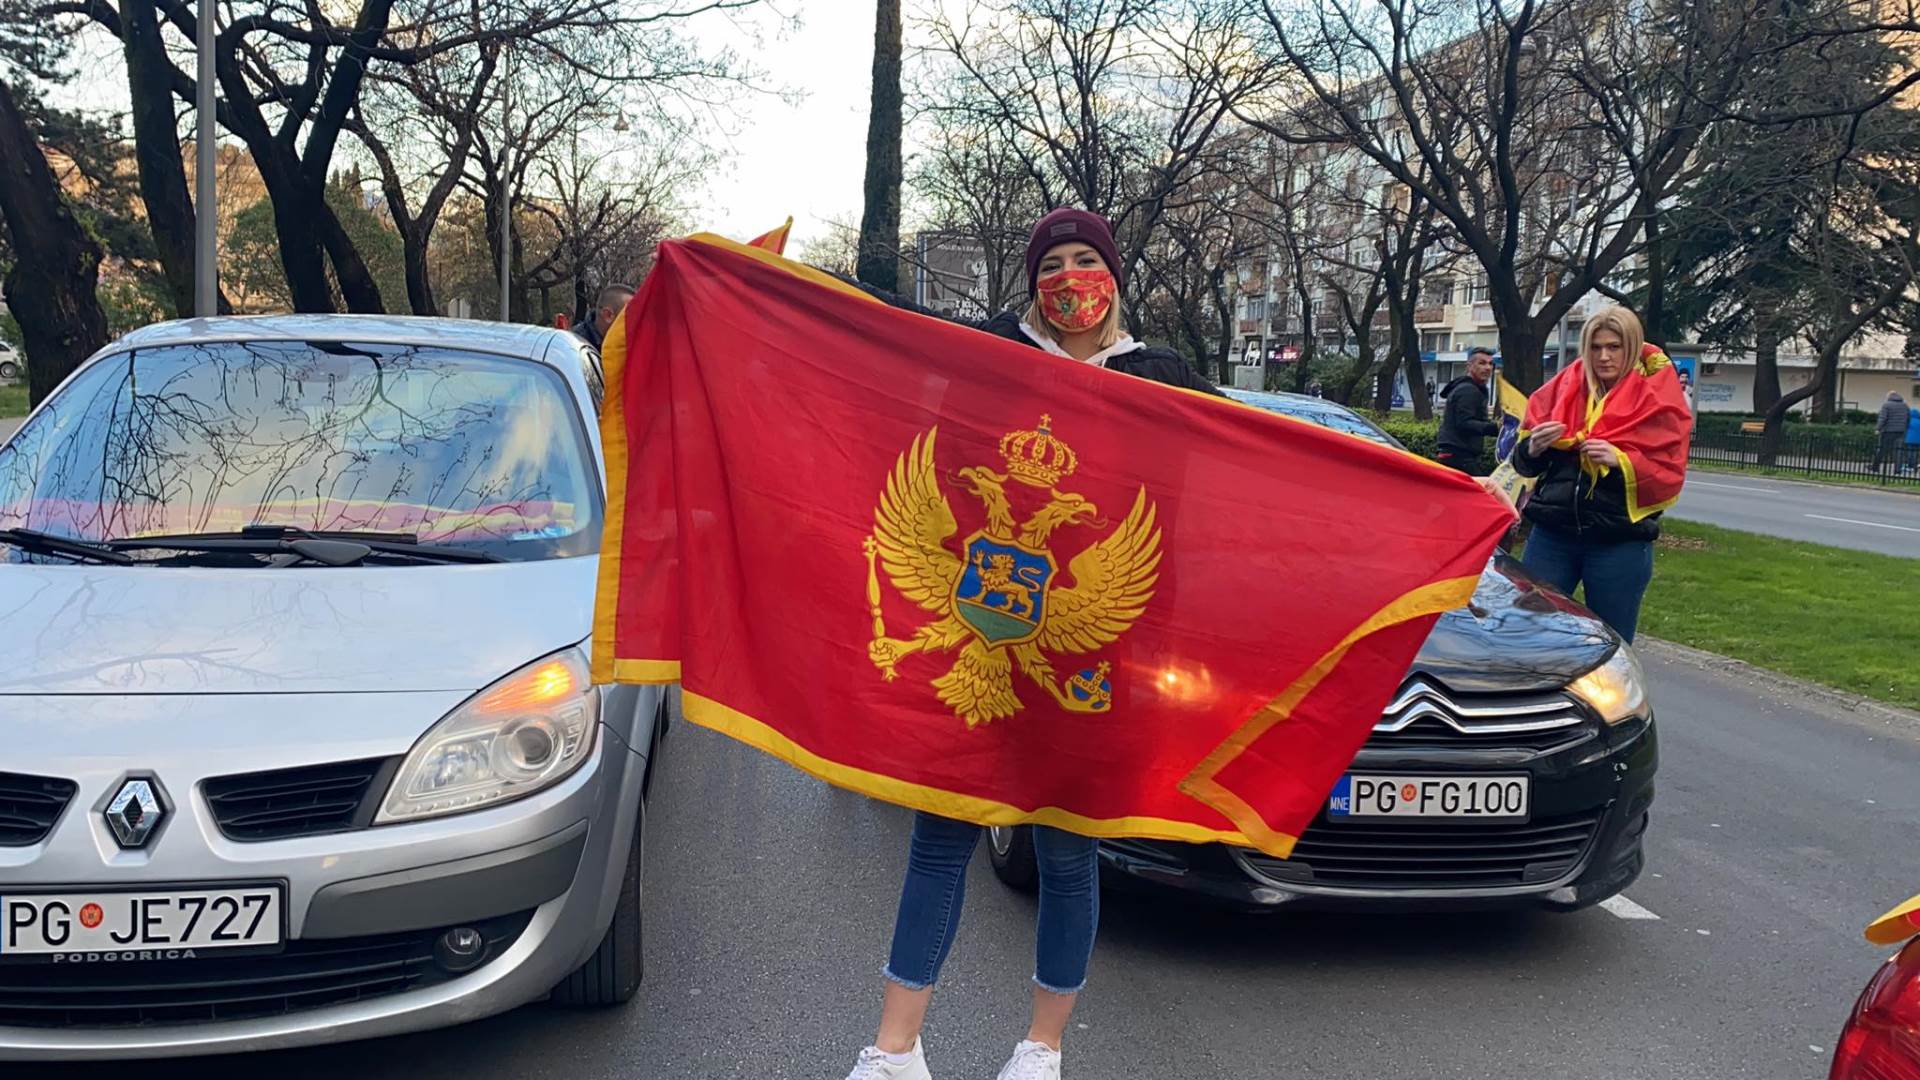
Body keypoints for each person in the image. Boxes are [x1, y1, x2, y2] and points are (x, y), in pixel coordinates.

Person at [843, 208, 1215, 1080]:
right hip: (979, 632)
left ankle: (1041, 1050)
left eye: (1086, 260)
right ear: (1031, 280)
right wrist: (780, 287)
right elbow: (891, 337)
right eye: (1052, 264)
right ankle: (895, 1050)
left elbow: (1259, 467)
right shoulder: (994, 353)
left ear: (1115, 275)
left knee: (1067, 853)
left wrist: (1440, 495)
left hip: (1095, 652)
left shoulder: (1162, 374)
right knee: (941, 836)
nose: (1069, 278)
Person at [1509, 306, 1690, 643]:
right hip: (1553, 536)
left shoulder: (1656, 399)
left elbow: (1667, 470)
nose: (1604, 357)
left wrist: (1622, 462)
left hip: (1618, 543)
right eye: (1595, 347)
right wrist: (1533, 448)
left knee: (1610, 646)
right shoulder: (1563, 388)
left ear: (1631, 347)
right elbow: (1524, 465)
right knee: (1530, 635)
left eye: (1614, 347)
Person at [1435, 347, 1499, 475]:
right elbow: (1464, 423)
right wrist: (1495, 428)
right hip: (1459, 456)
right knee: (1484, 487)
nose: (1488, 368)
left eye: (1491, 364)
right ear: (1469, 366)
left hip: (1457, 455)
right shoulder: (1468, 390)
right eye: (1482, 363)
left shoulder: (1471, 388)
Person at [572, 283, 634, 350]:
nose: (635, 325)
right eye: (631, 318)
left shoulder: (625, 345)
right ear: (607, 315)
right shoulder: (574, 345)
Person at [1874, 391, 1909, 474]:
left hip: (1888, 431)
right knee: (1898, 451)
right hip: (1901, 431)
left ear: (1889, 396)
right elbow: (1908, 418)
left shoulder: (1886, 405)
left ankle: (1875, 467)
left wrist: (1878, 428)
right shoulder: (1905, 406)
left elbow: (1883, 418)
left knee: (1882, 449)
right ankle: (1897, 470)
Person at [1903, 396, 1920, 475]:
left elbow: (1905, 428)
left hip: (1909, 439)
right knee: (1915, 453)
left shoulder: (1909, 421)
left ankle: (1910, 465)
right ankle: (1914, 465)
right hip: (1918, 440)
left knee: (1910, 452)